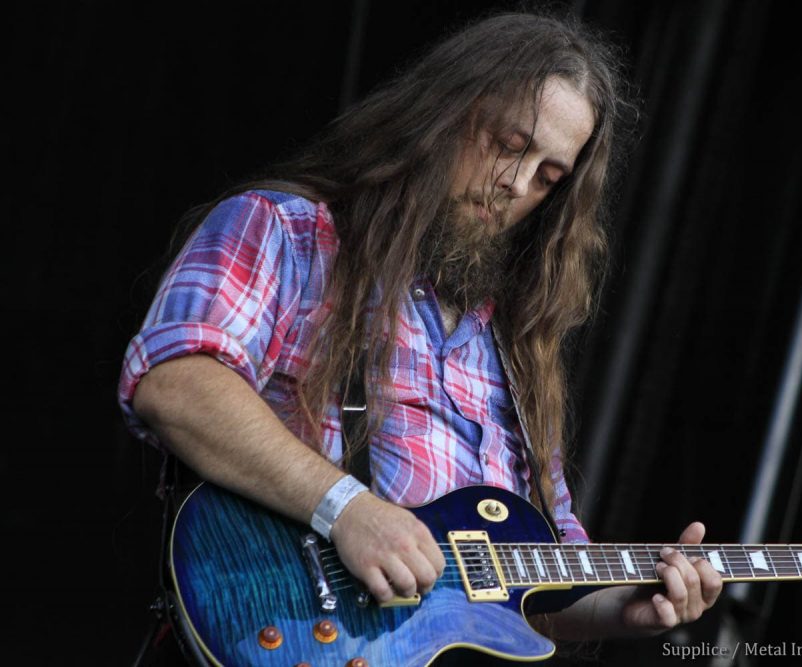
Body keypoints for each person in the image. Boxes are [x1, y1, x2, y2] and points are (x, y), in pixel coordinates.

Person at [119, 11, 722, 649]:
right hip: (281, 630)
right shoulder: (290, 232)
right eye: (509, 145)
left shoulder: (517, 347)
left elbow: (537, 589)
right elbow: (176, 386)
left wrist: (625, 607)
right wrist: (345, 507)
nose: (517, 185)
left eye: (548, 177)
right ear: (447, 112)